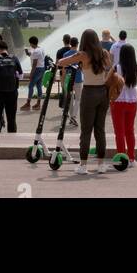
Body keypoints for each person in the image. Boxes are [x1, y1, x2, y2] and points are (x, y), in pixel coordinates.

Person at [57, 28, 113, 175]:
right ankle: (101, 164)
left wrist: (64, 62)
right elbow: (110, 67)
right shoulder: (104, 53)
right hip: (103, 93)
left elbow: (61, 62)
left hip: (89, 93)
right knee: (100, 130)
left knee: (86, 131)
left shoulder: (82, 55)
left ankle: (83, 165)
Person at [111, 42, 137, 167]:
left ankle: (122, 158)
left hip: (118, 101)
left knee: (119, 132)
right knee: (130, 130)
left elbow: (111, 81)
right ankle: (132, 158)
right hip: (133, 101)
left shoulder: (117, 68)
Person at [0, 41, 22, 133]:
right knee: (11, 117)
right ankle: (12, 137)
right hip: (12, 92)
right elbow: (21, 75)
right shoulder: (14, 58)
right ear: (6, 49)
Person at [21, 36, 46, 111]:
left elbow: (34, 64)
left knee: (30, 86)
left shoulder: (35, 51)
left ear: (31, 43)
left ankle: (28, 103)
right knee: (39, 86)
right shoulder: (40, 49)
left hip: (37, 69)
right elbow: (32, 55)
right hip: (42, 68)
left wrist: (31, 74)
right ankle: (38, 104)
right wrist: (27, 52)